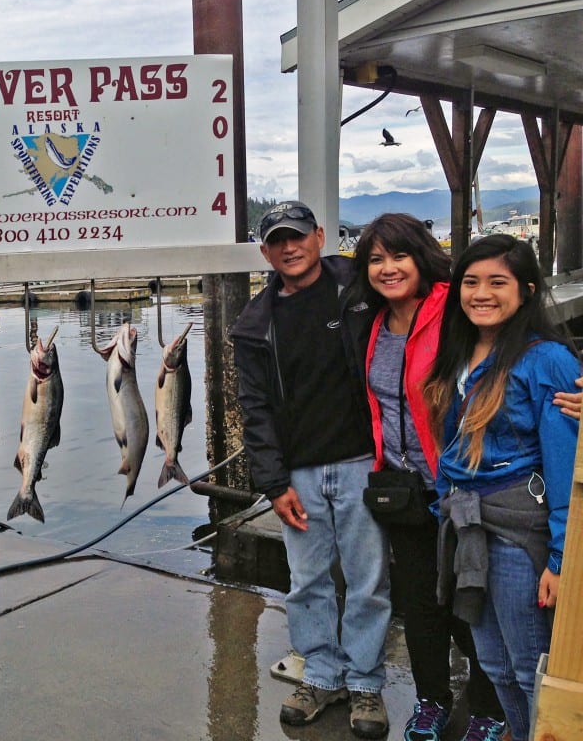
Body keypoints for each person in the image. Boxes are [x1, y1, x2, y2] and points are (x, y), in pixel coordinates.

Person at [230, 201, 391, 739]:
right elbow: (254, 409)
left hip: (361, 463)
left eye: (298, 236)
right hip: (298, 474)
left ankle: (365, 681)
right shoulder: (254, 323)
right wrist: (273, 484)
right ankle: (322, 674)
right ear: (265, 251)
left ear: (321, 237)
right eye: (277, 240)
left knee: (368, 582)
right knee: (306, 582)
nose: (289, 247)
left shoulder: (362, 292)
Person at [351, 214, 506, 741]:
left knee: (472, 604)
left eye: (398, 256)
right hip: (404, 491)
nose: (388, 269)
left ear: (421, 256)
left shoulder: (452, 310)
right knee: (418, 604)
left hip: (462, 489)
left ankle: (489, 707)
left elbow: (514, 351)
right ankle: (431, 702)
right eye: (375, 259)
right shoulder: (374, 323)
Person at [422, 235, 579, 741]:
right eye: (470, 282)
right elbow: (450, 444)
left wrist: (559, 558)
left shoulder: (547, 360)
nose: (481, 293)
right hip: (467, 522)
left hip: (517, 533)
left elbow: (562, 466)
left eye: (497, 282)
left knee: (531, 664)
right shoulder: (460, 353)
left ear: (527, 291)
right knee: (492, 662)